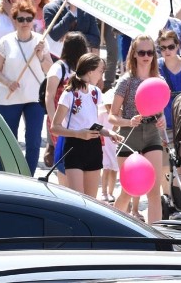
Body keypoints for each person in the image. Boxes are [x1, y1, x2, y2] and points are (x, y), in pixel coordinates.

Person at [0, 0, 53, 175]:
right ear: (14, 20)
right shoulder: (5, 42)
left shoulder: (41, 41)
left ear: (33, 20)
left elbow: (49, 69)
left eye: (28, 19)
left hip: (34, 97)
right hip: (10, 97)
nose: (25, 23)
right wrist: (8, 82)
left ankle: (29, 176)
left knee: (33, 141)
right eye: (21, 19)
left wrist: (41, 55)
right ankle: (9, 175)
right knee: (9, 140)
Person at [108, 36, 166, 223]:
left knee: (154, 191)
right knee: (128, 190)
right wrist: (128, 122)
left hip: (151, 133)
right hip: (129, 134)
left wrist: (162, 119)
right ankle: (114, 230)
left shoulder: (158, 80)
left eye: (150, 52)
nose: (146, 56)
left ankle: (156, 237)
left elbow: (160, 110)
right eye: (142, 52)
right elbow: (112, 116)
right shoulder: (126, 81)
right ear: (133, 54)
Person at [50, 53, 123, 196]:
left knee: (91, 201)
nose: (101, 76)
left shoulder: (96, 92)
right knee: (77, 199)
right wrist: (78, 134)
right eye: (100, 71)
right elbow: (55, 127)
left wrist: (108, 133)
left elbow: (92, 123)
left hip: (93, 147)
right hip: (74, 147)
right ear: (90, 71)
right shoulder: (69, 94)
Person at [43, 31, 90, 171]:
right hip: (62, 122)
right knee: (67, 161)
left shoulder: (83, 69)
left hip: (78, 121)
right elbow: (49, 96)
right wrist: (54, 122)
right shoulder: (59, 68)